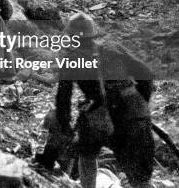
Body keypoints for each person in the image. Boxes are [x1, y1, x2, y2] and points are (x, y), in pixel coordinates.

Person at [47, 12, 155, 188]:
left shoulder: (71, 59)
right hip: (134, 113)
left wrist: (66, 129)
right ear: (92, 33)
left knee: (87, 156)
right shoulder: (113, 47)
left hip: (98, 117)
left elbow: (63, 100)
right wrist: (139, 104)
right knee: (140, 179)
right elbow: (147, 75)